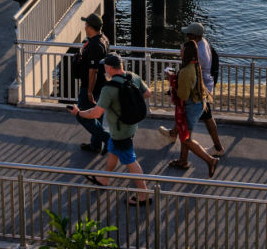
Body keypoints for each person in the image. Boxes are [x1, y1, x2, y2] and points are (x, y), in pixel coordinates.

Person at [69, 52, 152, 204]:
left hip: (121, 130)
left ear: (108, 68)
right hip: (131, 125)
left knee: (130, 160)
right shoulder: (132, 76)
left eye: (105, 67)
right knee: (113, 150)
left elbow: (96, 113)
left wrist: (78, 113)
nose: (105, 70)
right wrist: (129, 103)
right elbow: (147, 93)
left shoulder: (109, 88)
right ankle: (104, 179)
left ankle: (143, 195)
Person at [160, 22, 224, 158]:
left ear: (194, 36)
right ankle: (173, 134)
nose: (187, 37)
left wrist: (175, 83)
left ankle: (214, 151)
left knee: (193, 123)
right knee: (197, 116)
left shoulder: (197, 52)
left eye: (188, 35)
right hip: (204, 86)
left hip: (199, 91)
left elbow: (190, 75)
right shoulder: (203, 43)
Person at [165, 40, 218, 177]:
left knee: (186, 139)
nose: (180, 52)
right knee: (185, 135)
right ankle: (183, 161)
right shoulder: (195, 65)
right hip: (198, 103)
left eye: (182, 50)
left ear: (187, 53)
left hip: (191, 106)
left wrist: (172, 82)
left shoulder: (186, 71)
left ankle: (210, 160)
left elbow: (183, 95)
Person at [71, 13, 110, 154]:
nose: (85, 26)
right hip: (102, 85)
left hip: (91, 86)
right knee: (97, 115)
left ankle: (108, 139)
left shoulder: (94, 45)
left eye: (86, 24)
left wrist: (89, 91)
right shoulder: (103, 39)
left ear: (91, 27)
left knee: (82, 114)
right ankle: (95, 145)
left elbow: (93, 71)